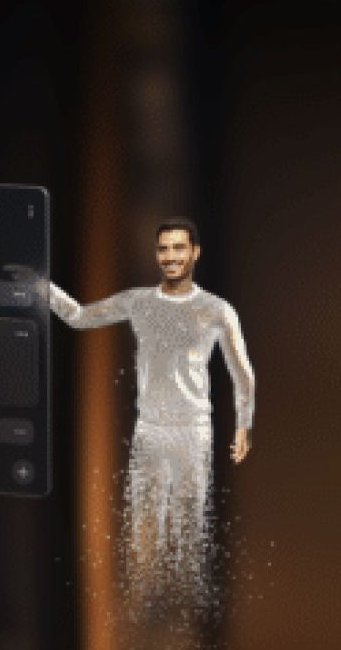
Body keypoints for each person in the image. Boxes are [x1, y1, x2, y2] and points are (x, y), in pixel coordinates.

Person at [33, 218, 256, 618]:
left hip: (193, 430)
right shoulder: (139, 301)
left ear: (195, 252)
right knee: (143, 529)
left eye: (178, 248)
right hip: (149, 430)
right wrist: (40, 286)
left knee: (189, 527)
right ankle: (139, 614)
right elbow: (80, 316)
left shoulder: (216, 310)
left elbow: (242, 372)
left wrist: (244, 424)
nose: (170, 257)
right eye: (163, 249)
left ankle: (189, 617)